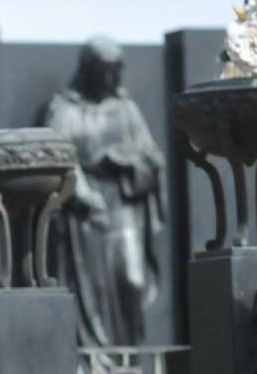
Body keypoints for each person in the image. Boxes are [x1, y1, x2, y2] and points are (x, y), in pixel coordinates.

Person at [45, 35, 165, 347]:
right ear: (88, 70)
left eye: (115, 71)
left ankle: (131, 356)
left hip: (123, 205)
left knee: (132, 279)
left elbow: (153, 160)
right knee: (92, 286)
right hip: (87, 212)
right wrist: (81, 187)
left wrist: (124, 162)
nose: (110, 78)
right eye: (103, 71)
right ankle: (98, 360)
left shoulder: (126, 110)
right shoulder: (65, 110)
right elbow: (56, 156)